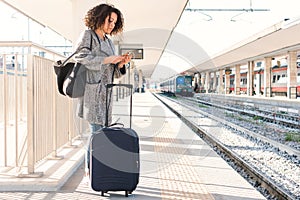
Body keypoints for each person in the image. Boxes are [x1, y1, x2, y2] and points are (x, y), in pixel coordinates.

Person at [73, 3, 132, 178]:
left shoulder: (109, 42)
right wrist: (107, 59)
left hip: (106, 94)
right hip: (92, 91)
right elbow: (80, 56)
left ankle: (97, 170)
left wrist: (120, 64)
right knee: (96, 131)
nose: (112, 25)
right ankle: (91, 171)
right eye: (109, 20)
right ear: (100, 17)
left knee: (102, 132)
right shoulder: (88, 35)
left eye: (114, 22)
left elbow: (114, 73)